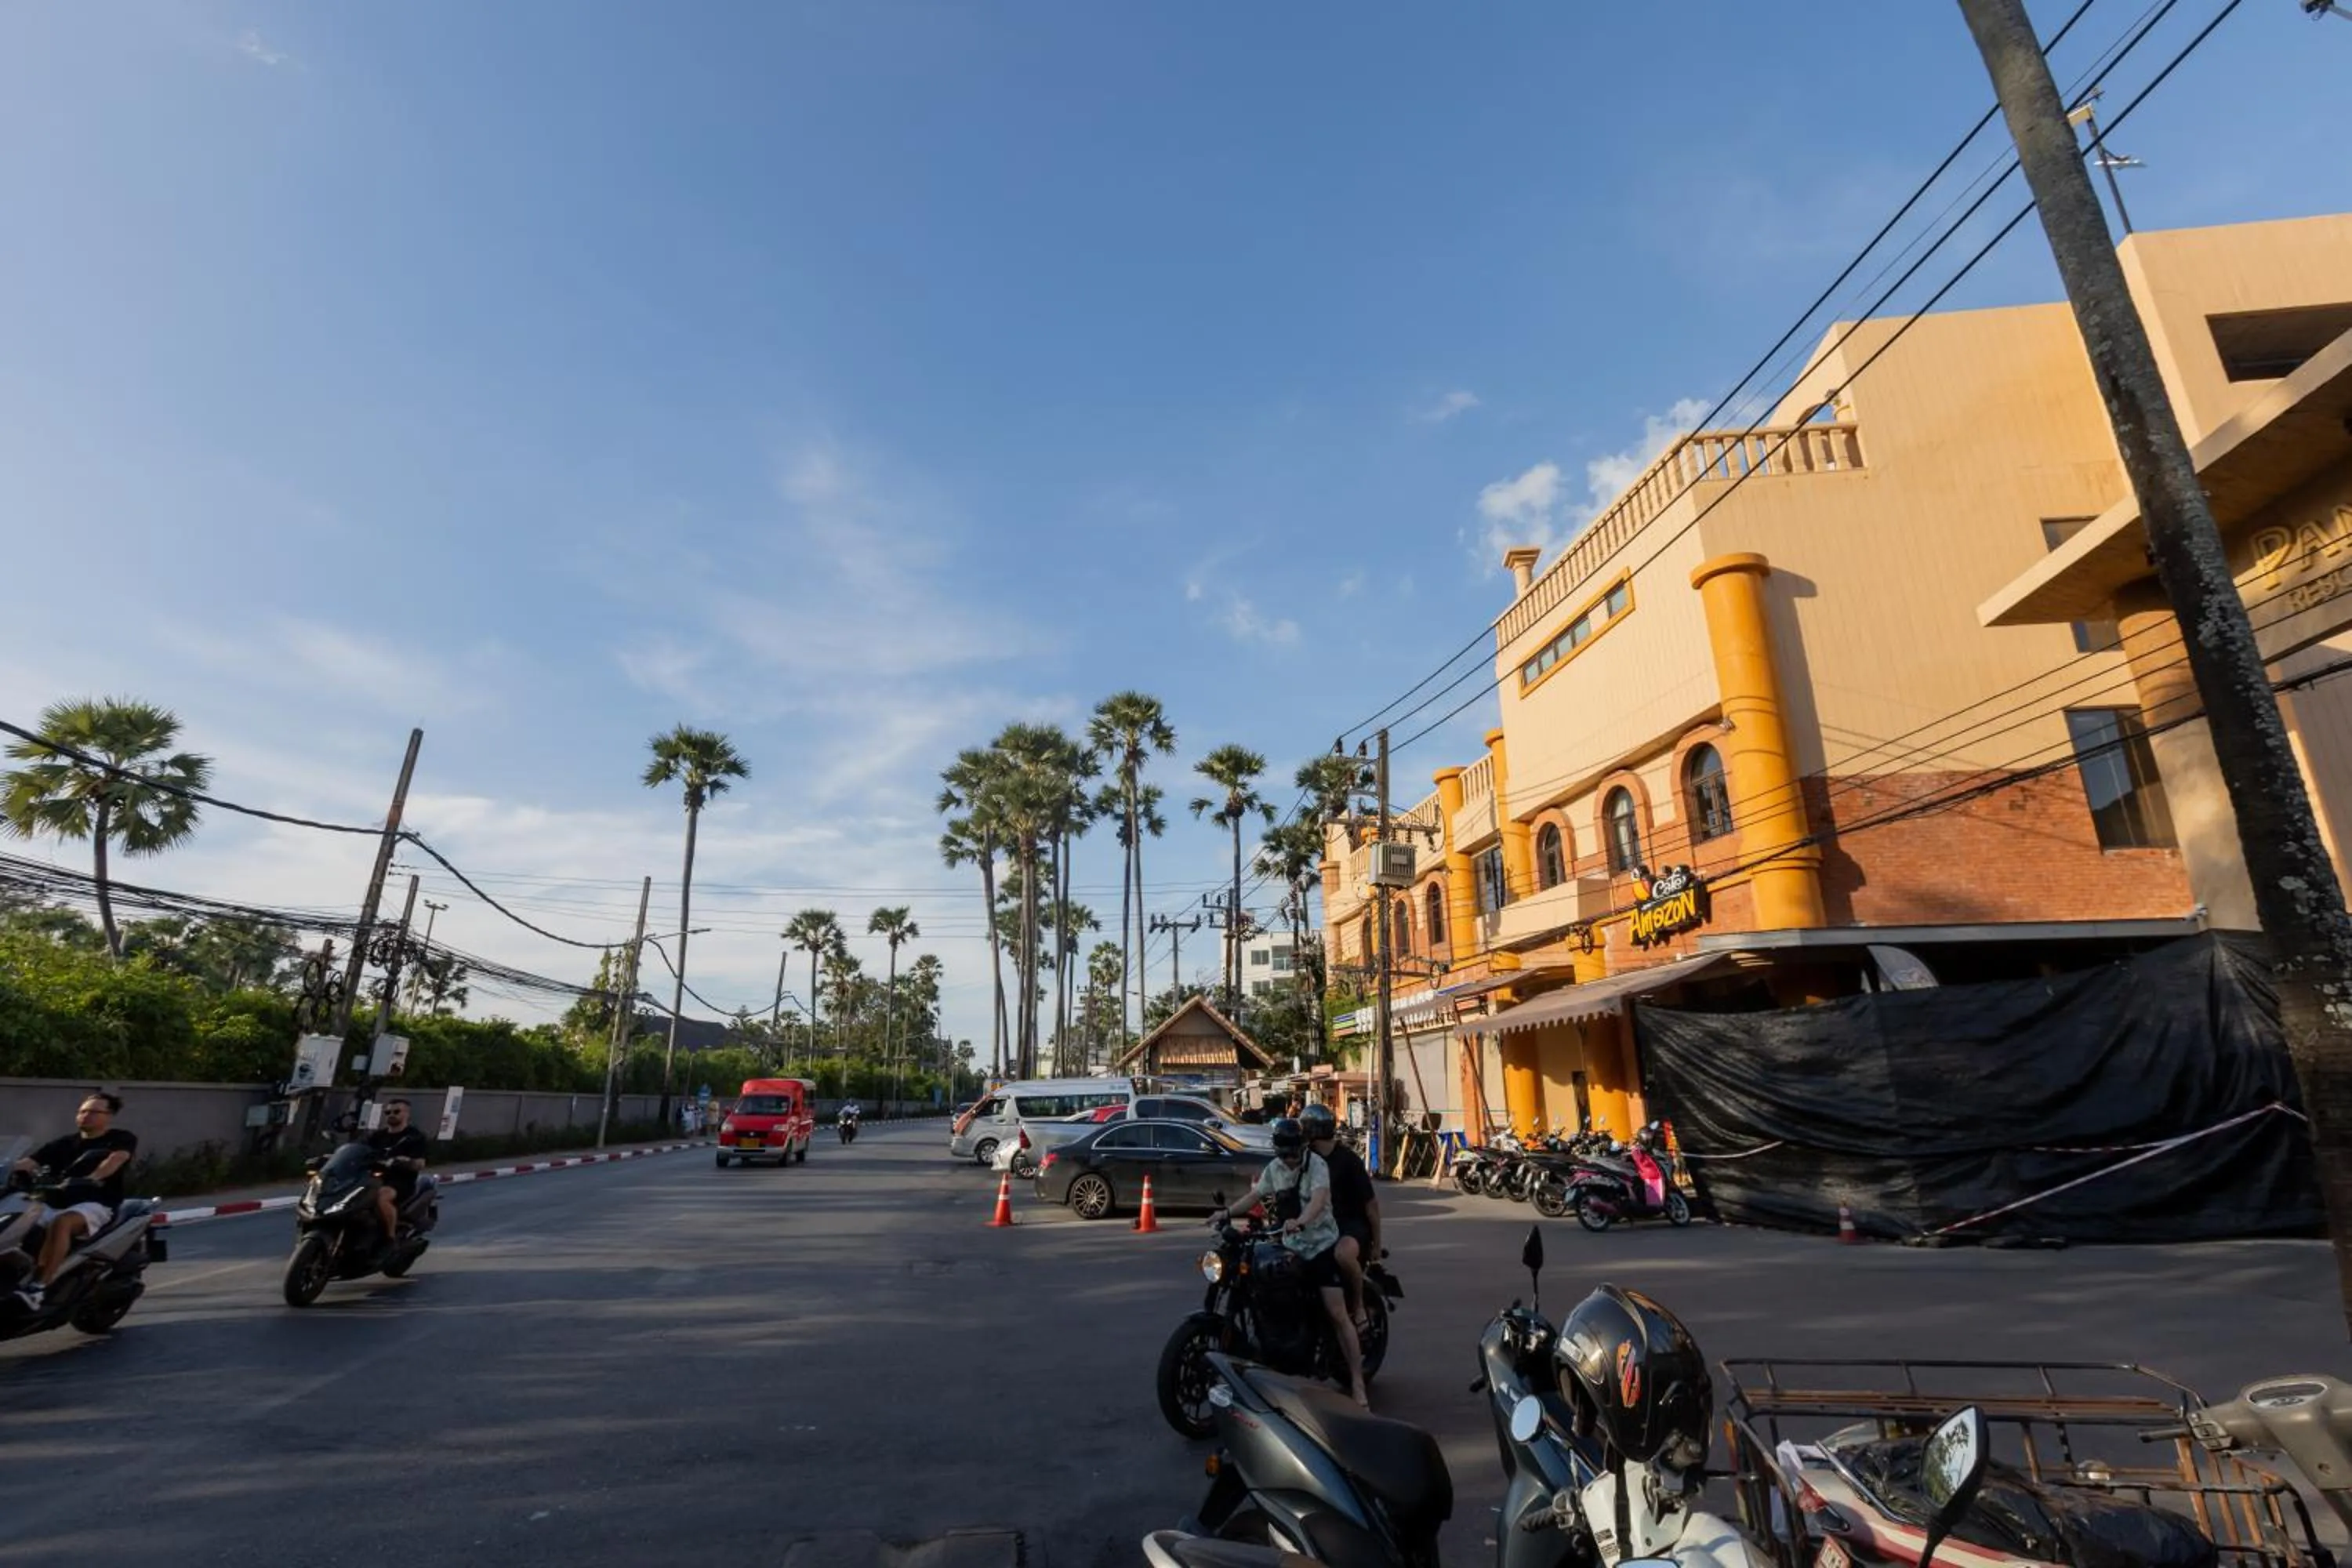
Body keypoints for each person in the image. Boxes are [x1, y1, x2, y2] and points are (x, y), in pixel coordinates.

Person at [1213, 1117, 1367, 1410]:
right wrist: (1226, 1215)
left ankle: (1358, 1385)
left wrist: (1302, 1221)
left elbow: (1319, 1200)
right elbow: (1255, 1196)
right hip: (1291, 1245)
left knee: (1337, 1314)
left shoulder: (1317, 1166)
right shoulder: (1275, 1169)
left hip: (1321, 1245)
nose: (1289, 1160)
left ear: (1302, 1148)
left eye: (1293, 1154)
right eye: (1283, 1154)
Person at [9, 1091, 137, 1311]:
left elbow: (115, 1160)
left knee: (62, 1223)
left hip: (95, 1203)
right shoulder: (64, 1143)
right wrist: (6, 1170)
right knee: (14, 1222)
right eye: (83, 1111)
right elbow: (29, 1162)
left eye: (94, 1112)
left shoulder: (120, 1138)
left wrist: (92, 1178)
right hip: (54, 1202)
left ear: (109, 1116)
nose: (86, 1116)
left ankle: (38, 1288)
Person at [1300, 1102, 1381, 1331]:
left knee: (1342, 1254)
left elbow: (1371, 1204)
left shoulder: (1348, 1160)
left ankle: (1359, 1305)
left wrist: (1377, 1244)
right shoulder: (1307, 1159)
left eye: (1305, 1128)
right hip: (1319, 1225)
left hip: (1350, 1226)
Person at [365, 1098, 430, 1254]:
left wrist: (407, 1162)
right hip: (373, 1178)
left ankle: (390, 1238)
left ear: (406, 1114)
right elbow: (360, 1150)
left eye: (396, 1112)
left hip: (400, 1181)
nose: (391, 1115)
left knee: (382, 1195)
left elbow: (420, 1163)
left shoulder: (414, 1137)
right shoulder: (377, 1136)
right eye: (388, 1112)